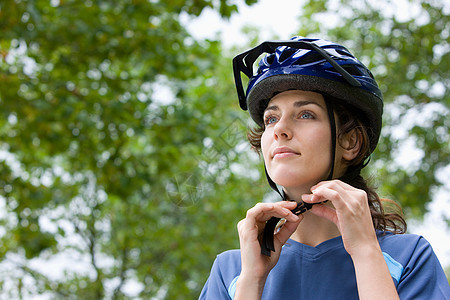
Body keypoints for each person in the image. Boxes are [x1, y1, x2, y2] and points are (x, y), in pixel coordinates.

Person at [199, 37, 450, 299]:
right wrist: (251, 280)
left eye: (305, 114)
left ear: (350, 141)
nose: (280, 130)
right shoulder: (231, 271)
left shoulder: (409, 257)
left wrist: (366, 252)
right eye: (271, 118)